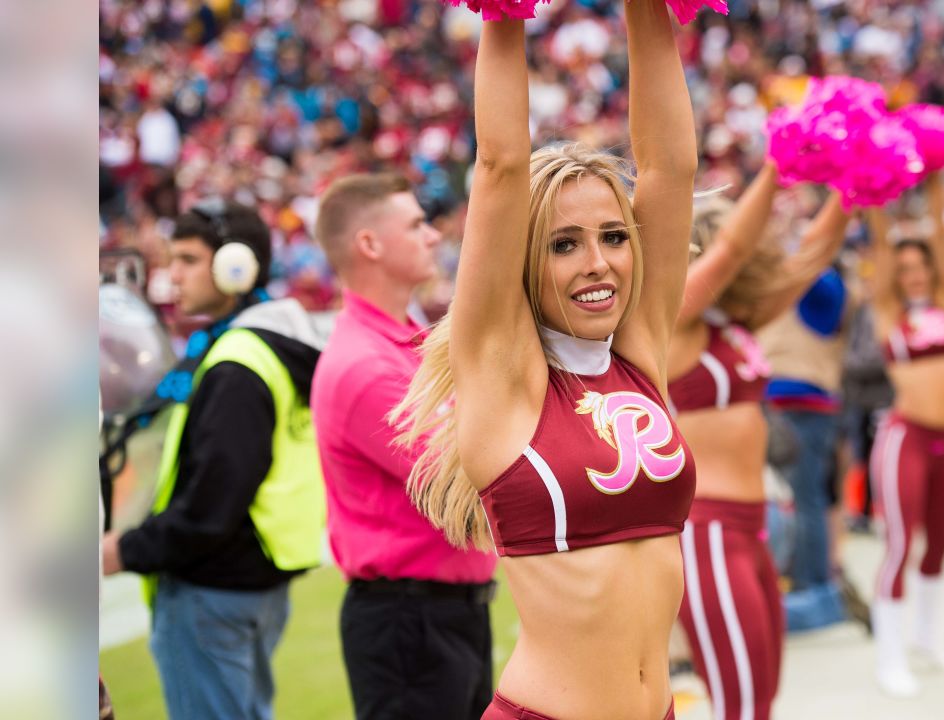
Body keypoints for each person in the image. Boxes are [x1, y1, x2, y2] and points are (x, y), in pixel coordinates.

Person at [392, 6, 696, 719]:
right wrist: (504, 18)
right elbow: (500, 166)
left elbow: (670, 167)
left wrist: (651, 11)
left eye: (615, 237)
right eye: (564, 244)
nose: (599, 265)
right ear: (527, 262)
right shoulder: (505, 378)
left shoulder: (637, 351)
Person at [101, 201, 327, 720]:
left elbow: (211, 505)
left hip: (210, 591)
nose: (170, 275)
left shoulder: (236, 365)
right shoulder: (269, 344)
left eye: (186, 260)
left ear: (235, 267)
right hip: (257, 581)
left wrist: (126, 550)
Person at [669, 162, 854, 719]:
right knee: (741, 704)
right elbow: (730, 245)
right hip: (705, 530)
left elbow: (810, 257)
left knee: (762, 697)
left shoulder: (734, 322)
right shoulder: (670, 320)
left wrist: (857, 184)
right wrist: (779, 168)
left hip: (752, 526)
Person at [310, 174, 498, 720]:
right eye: (415, 224)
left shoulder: (405, 341)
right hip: (411, 623)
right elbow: (469, 483)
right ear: (369, 244)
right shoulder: (365, 366)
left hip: (442, 614)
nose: (433, 236)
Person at [864, 175, 944, 698]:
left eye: (918, 265)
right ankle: (891, 657)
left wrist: (935, 179)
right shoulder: (888, 313)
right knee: (901, 544)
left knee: (941, 542)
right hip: (905, 440)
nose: (912, 274)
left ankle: (927, 639)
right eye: (903, 269)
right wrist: (874, 190)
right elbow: (883, 249)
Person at [755, 255, 855, 631]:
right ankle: (802, 581)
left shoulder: (825, 283)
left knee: (806, 497)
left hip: (806, 406)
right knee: (790, 499)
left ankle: (815, 587)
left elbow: (805, 271)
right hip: (775, 405)